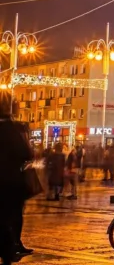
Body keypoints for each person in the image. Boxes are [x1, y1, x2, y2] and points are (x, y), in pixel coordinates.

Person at [0, 94, 34, 264]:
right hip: (11, 181)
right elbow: (26, 154)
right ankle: (10, 250)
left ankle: (11, 248)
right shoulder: (13, 129)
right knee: (11, 216)